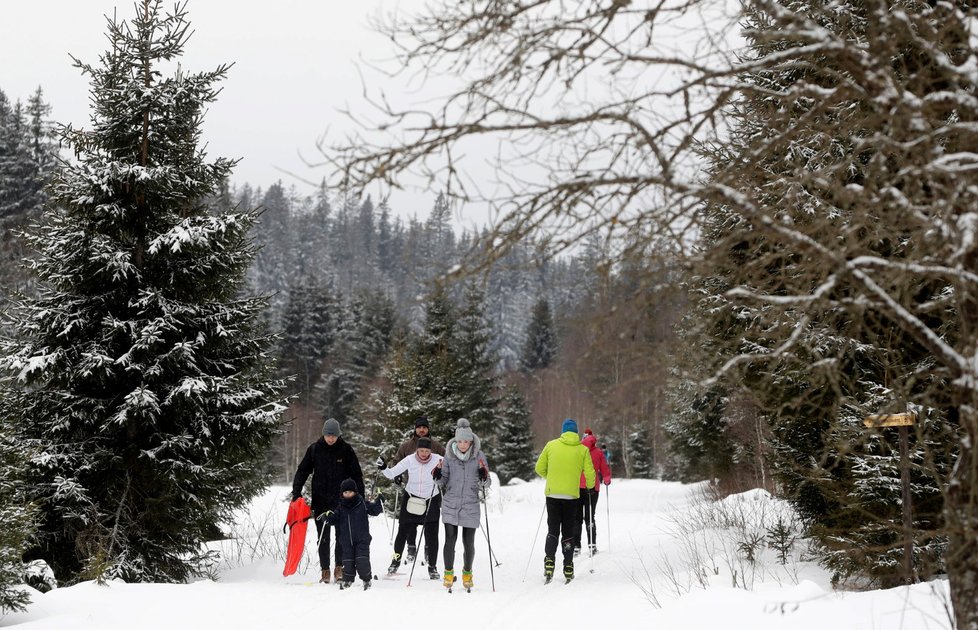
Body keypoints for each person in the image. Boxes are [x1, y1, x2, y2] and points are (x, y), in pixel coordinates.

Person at [291, 418, 365, 584]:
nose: (331, 439)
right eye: (328, 435)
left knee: (341, 536)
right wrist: (296, 492)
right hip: (321, 500)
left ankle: (339, 568)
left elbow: (356, 474)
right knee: (323, 537)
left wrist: (361, 497)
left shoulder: (346, 450)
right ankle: (325, 570)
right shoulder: (315, 449)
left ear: (338, 435)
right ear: (323, 434)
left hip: (342, 502)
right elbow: (302, 471)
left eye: (334, 436)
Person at [432, 418, 490, 591]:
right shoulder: (448, 456)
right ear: (456, 441)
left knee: (468, 541)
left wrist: (483, 475)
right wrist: (436, 475)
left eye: (466, 441)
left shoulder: (479, 456)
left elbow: (486, 484)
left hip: (470, 504)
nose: (463, 444)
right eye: (460, 441)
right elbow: (442, 481)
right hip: (451, 503)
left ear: (471, 441)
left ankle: (467, 573)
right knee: (450, 539)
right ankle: (448, 573)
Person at [535, 418, 595, 583]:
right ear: (576, 433)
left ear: (563, 432)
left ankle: (549, 562)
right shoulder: (582, 450)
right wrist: (589, 487)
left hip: (553, 495)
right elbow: (590, 473)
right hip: (571, 496)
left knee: (552, 529)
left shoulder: (551, 445)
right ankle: (568, 566)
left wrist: (552, 479)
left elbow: (538, 468)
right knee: (568, 531)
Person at [378, 436, 444, 579]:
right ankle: (395, 561)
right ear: (417, 450)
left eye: (427, 451)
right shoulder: (409, 459)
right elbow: (391, 473)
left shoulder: (438, 459)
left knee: (432, 536)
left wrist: (442, 474)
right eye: (421, 450)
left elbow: (451, 472)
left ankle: (432, 567)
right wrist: (383, 467)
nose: (424, 454)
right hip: (411, 498)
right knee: (402, 533)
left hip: (430, 499)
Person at [392, 416, 446, 562]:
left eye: (424, 427)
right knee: (410, 522)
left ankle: (429, 549)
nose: (422, 430)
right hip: (412, 489)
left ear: (428, 429)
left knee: (430, 523)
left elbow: (447, 460)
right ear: (415, 429)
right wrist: (397, 475)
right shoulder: (407, 446)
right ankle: (411, 547)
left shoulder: (435, 446)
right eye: (419, 427)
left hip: (430, 490)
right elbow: (397, 461)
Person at [318, 478, 383, 590]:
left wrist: (379, 502)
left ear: (355, 492)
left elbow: (375, 510)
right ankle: (347, 580)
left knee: (362, 560)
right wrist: (327, 518)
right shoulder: (341, 507)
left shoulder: (362, 504)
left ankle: (366, 580)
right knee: (347, 562)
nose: (348, 494)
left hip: (362, 539)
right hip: (346, 540)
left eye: (350, 492)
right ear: (342, 493)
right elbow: (334, 519)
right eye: (345, 492)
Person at [574, 428, 612, 555]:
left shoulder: (577, 450)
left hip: (577, 487)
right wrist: (606, 479)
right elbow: (604, 468)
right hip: (593, 488)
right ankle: (592, 545)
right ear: (593, 439)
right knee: (590, 517)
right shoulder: (599, 452)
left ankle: (576, 546)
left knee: (577, 517)